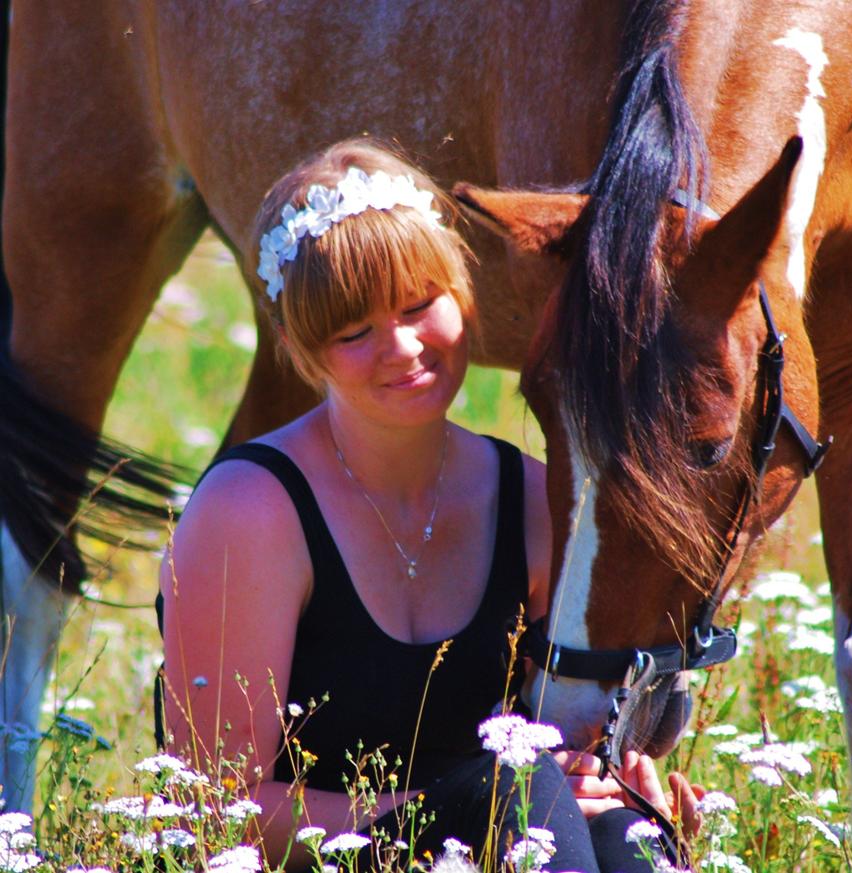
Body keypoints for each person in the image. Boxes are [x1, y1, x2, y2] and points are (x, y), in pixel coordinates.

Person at [156, 138, 698, 872]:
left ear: (463, 291)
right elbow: (209, 809)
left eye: (419, 305)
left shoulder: (534, 500)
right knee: (522, 787)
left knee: (621, 833)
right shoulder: (249, 510)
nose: (403, 347)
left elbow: (570, 752)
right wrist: (464, 805)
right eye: (354, 331)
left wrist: (622, 791)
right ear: (298, 346)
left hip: (512, 845)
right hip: (331, 857)